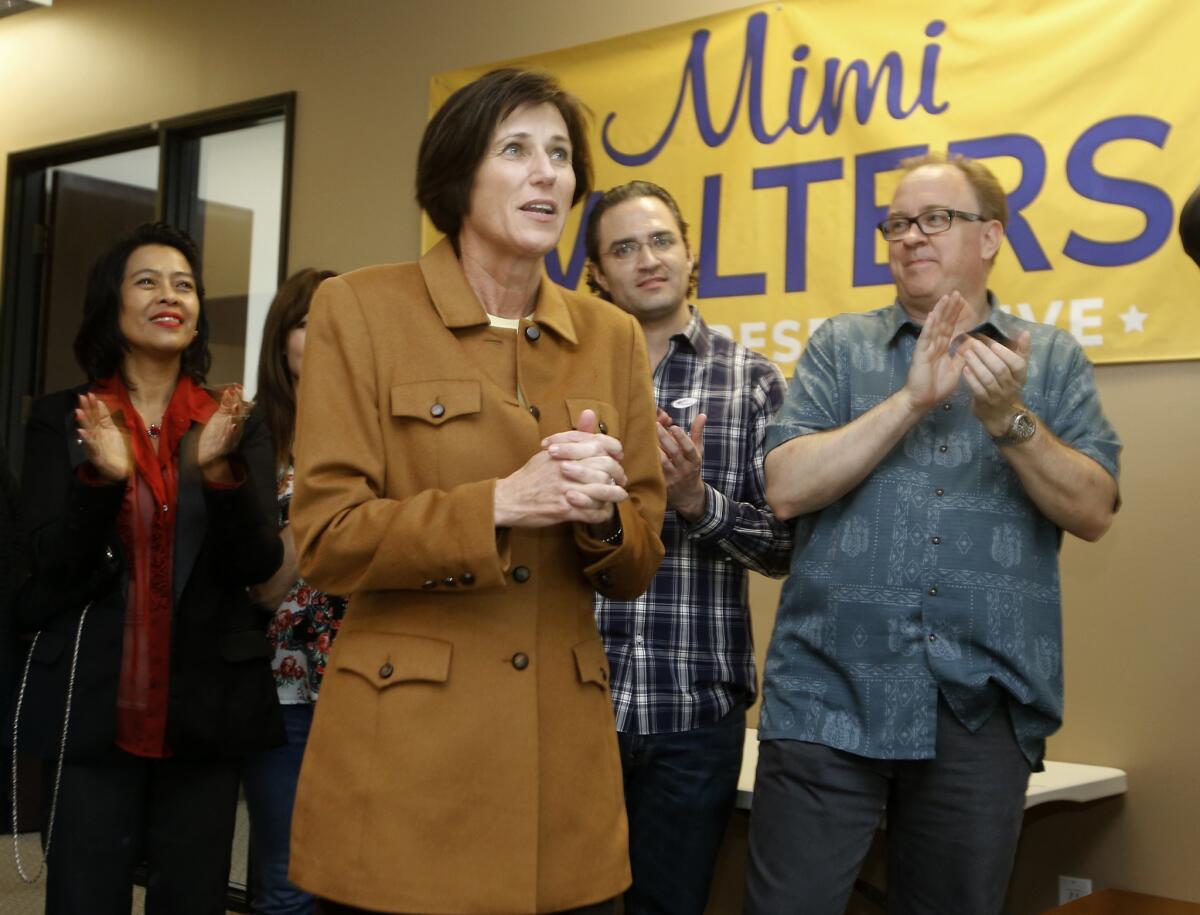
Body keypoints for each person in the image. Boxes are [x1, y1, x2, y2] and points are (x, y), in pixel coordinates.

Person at [287, 68, 666, 915]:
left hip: (562, 780)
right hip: (407, 767)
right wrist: (499, 503)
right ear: (458, 174)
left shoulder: (611, 335)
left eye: (561, 156)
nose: (548, 174)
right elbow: (326, 539)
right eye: (517, 149)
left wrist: (605, 517)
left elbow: (637, 561)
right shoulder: (359, 308)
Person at [744, 153, 1122, 915]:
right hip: (827, 695)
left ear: (990, 236)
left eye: (935, 219)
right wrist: (910, 402)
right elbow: (783, 486)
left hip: (979, 706)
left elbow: (1094, 509)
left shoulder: (1046, 358)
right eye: (897, 223)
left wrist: (1009, 421)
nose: (910, 236)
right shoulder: (839, 347)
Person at [13, 222, 284, 915]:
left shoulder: (232, 421)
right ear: (112, 303)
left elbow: (257, 563)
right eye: (148, 281)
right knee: (83, 896)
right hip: (95, 698)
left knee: (191, 901)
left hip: (206, 704)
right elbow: (48, 568)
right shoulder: (64, 418)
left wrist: (220, 471)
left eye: (185, 284)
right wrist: (98, 481)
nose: (172, 295)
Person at [584, 181, 792, 914]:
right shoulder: (567, 375)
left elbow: (783, 549)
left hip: (696, 713)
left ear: (689, 252)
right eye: (623, 247)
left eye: (661, 240)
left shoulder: (754, 381)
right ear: (597, 273)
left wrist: (698, 504)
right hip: (575, 703)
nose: (647, 259)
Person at [243, 268, 344, 915]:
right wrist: (324, 496)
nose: (327, 332)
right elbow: (261, 587)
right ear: (282, 341)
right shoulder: (254, 436)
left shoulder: (388, 427)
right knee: (287, 870)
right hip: (284, 691)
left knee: (366, 867)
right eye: (308, 320)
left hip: (374, 681)